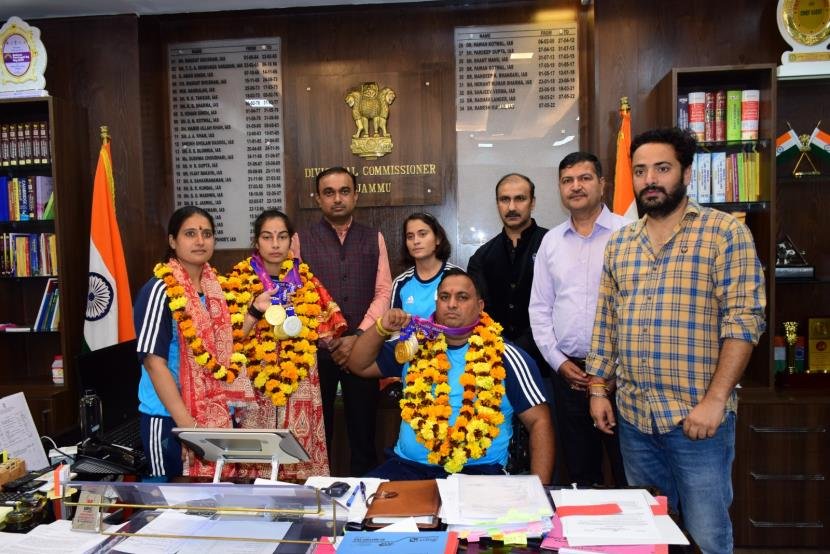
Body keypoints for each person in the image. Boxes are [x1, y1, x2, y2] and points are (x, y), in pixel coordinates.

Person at [587, 128, 766, 553]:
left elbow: (744, 321)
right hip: (635, 419)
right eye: (640, 171)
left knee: (706, 535)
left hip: (698, 420)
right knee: (649, 535)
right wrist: (597, 389)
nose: (650, 180)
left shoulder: (724, 233)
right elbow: (606, 321)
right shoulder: (621, 243)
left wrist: (715, 401)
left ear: (686, 173)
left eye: (662, 168)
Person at [347, 268, 554, 483]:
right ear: (436, 303)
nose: (452, 304)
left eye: (462, 297)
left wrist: (539, 491)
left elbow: (539, 421)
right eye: (444, 297)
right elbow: (358, 365)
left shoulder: (505, 356)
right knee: (362, 501)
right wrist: (381, 327)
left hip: (480, 473)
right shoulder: (414, 346)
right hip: (407, 468)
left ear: (480, 306)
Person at [134, 206, 272, 479]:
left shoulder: (216, 288)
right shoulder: (159, 290)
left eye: (207, 234)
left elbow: (225, 346)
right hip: (170, 420)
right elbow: (153, 363)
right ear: (173, 241)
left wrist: (255, 312)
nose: (200, 241)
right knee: (172, 498)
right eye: (190, 234)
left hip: (215, 417)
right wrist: (188, 428)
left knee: (215, 498)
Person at [221, 209, 347, 480]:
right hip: (257, 379)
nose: (275, 244)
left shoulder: (305, 279)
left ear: (291, 240)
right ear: (256, 241)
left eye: (282, 236)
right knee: (258, 461)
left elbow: (329, 327)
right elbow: (228, 339)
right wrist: (254, 310)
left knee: (300, 456)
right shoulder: (238, 280)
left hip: (299, 379)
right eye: (267, 237)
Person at [529, 152, 629, 487]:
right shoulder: (551, 242)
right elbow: (540, 308)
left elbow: (640, 309)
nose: (576, 186)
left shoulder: (629, 234)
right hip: (570, 375)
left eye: (584, 178)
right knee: (580, 475)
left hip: (622, 376)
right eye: (567, 180)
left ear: (602, 184)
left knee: (629, 473)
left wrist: (614, 369)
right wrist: (558, 362)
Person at [293, 167, 392, 475]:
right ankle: (317, 495)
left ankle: (365, 495)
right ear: (318, 199)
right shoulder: (299, 240)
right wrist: (330, 338)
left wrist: (359, 336)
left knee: (364, 437)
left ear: (355, 196)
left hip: (364, 353)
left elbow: (383, 291)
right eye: (329, 192)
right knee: (316, 438)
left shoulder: (374, 238)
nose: (337, 199)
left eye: (344, 191)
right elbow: (296, 296)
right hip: (316, 354)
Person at [467, 173, 553, 475]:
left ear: (533, 202)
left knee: (549, 449)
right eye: (505, 199)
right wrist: (507, 354)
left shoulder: (552, 245)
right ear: (497, 204)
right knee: (503, 453)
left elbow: (558, 309)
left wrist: (521, 351)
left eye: (520, 199)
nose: (512, 206)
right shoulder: (482, 256)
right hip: (497, 369)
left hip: (547, 367)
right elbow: (479, 315)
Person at [391, 212, 460, 318]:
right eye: (410, 237)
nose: (416, 241)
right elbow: (394, 325)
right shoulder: (400, 282)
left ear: (438, 239)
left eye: (422, 234)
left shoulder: (457, 276)